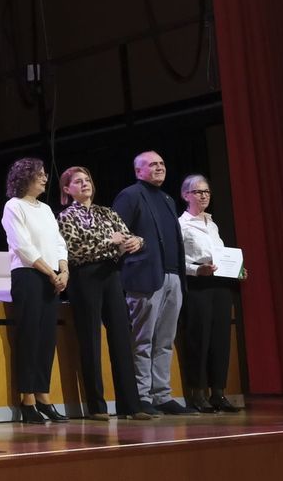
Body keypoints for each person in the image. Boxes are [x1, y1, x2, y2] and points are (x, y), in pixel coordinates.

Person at [56, 166, 154, 421]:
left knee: (122, 336)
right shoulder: (66, 216)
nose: (85, 184)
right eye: (78, 181)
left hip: (111, 275)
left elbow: (129, 236)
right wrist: (109, 242)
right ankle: (97, 406)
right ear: (67, 189)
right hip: (84, 276)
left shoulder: (107, 212)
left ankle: (130, 405)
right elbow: (74, 250)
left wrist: (135, 242)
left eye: (87, 179)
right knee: (90, 339)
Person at [113, 151, 190, 415]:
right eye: (152, 165)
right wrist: (129, 244)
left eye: (162, 163)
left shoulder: (168, 198)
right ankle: (142, 397)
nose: (159, 167)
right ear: (138, 172)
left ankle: (162, 395)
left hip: (172, 277)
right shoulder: (131, 195)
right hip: (145, 277)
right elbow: (117, 232)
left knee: (165, 341)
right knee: (143, 340)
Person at [1, 159, 69, 423]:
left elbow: (58, 242)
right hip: (29, 276)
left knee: (46, 338)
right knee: (29, 336)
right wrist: (52, 273)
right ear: (25, 178)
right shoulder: (13, 206)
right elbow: (23, 246)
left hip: (51, 277)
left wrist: (64, 270)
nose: (45, 179)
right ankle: (27, 399)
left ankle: (43, 396)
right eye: (39, 175)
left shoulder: (46, 208)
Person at [178, 175, 242, 413]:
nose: (203, 195)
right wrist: (197, 270)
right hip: (198, 286)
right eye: (197, 192)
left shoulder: (212, 224)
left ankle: (218, 392)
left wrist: (237, 268)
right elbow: (178, 260)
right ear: (186, 195)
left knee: (220, 339)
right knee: (200, 338)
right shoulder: (181, 225)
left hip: (219, 285)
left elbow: (221, 254)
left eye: (206, 191)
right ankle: (197, 393)